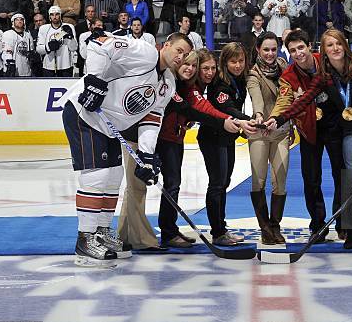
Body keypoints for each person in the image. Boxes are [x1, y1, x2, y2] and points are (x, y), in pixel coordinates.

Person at [57, 31, 191, 266]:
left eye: (186, 55)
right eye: (179, 50)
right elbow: (99, 43)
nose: (181, 57)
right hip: (85, 114)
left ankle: (101, 232)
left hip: (109, 126)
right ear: (165, 45)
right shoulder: (145, 52)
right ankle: (85, 239)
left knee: (114, 177)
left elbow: (152, 117)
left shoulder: (168, 84)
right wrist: (94, 81)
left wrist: (147, 155)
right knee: (97, 177)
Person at [264, 29, 343, 243]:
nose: (298, 53)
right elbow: (285, 103)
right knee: (311, 179)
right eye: (292, 50)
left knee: (341, 175)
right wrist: (275, 118)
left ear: (310, 46)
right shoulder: (288, 77)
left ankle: (342, 221)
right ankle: (318, 225)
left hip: (336, 127)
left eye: (301, 47)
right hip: (308, 131)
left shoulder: (326, 61)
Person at [156, 48, 240, 248]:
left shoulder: (188, 85)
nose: (191, 69)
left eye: (194, 66)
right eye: (189, 65)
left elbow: (197, 109)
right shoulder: (173, 83)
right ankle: (167, 232)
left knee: (174, 184)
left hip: (175, 137)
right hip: (161, 138)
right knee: (172, 184)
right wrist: (227, 121)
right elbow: (198, 109)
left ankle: (170, 230)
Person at [198, 43, 256, 246]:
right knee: (217, 184)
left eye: (241, 61)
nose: (238, 65)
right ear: (225, 62)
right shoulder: (220, 83)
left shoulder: (239, 79)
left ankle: (221, 228)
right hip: (213, 137)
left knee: (223, 183)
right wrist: (247, 119)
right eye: (233, 61)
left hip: (226, 136)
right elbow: (228, 108)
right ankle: (218, 232)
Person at [246, 32, 291, 244]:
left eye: (274, 49)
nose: (270, 53)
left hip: (281, 131)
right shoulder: (253, 74)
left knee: (280, 181)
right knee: (259, 181)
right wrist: (259, 116)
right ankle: (264, 228)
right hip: (260, 131)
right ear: (258, 50)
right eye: (266, 49)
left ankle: (275, 225)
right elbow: (257, 99)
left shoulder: (284, 65)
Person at [37, 6, 78, 77]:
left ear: (60, 15)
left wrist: (70, 38)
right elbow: (38, 49)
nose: (54, 17)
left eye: (57, 14)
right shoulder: (43, 28)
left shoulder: (69, 27)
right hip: (48, 66)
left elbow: (74, 48)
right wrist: (48, 47)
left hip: (66, 65)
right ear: (49, 16)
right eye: (52, 15)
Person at [1, 12, 34, 77]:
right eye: (17, 20)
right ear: (13, 22)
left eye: (21, 19)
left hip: (26, 70)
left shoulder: (28, 35)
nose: (19, 21)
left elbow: (31, 50)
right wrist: (9, 63)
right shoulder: (8, 34)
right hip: (13, 70)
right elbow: (7, 52)